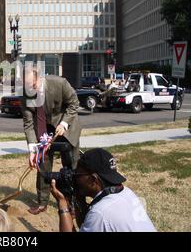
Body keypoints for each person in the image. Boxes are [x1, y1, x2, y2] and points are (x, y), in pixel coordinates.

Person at [21, 66, 81, 215]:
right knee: (42, 163)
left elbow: (74, 103)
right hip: (44, 129)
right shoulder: (25, 94)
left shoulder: (59, 83)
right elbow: (28, 123)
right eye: (27, 86)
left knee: (71, 167)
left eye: (33, 85)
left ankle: (72, 203)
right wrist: (32, 150)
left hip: (66, 127)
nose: (30, 90)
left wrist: (64, 123)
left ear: (40, 79)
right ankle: (42, 202)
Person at [50, 148, 157, 232]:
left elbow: (98, 217)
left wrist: (62, 203)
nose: (75, 178)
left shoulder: (101, 213)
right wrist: (79, 198)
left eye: (78, 175)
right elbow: (86, 224)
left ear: (93, 179)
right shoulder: (127, 192)